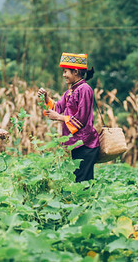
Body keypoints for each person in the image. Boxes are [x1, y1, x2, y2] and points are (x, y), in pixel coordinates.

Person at [38, 52, 99, 183]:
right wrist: (46, 98)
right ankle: (84, 202)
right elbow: (58, 108)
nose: (63, 75)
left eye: (66, 72)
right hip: (77, 144)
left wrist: (59, 118)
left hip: (86, 144)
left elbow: (81, 118)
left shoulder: (85, 89)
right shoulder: (70, 91)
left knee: (83, 181)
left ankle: (87, 203)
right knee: (79, 179)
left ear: (75, 71)